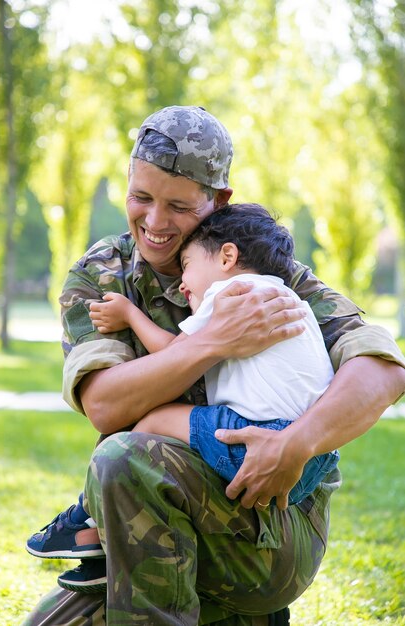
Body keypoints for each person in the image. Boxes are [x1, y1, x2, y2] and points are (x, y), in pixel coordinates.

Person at [22, 105, 405, 626]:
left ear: (218, 201)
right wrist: (211, 343)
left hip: (269, 525)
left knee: (124, 457)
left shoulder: (263, 271)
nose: (154, 223)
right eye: (140, 197)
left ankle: (245, 607)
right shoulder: (103, 276)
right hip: (149, 527)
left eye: (178, 205)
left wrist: (299, 442)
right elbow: (105, 405)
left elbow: (383, 371)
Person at [30, 202, 340, 593]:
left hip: (251, 438)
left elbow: (172, 350)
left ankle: (90, 519)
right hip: (308, 459)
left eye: (189, 265)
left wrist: (129, 315)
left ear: (228, 257)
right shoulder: (292, 300)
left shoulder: (231, 293)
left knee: (147, 429)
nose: (181, 282)